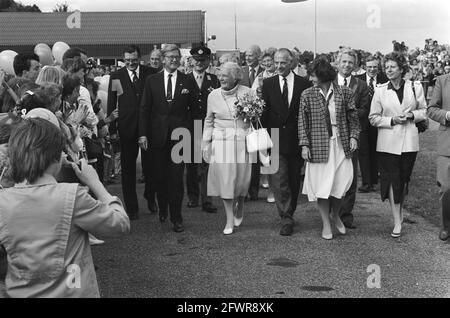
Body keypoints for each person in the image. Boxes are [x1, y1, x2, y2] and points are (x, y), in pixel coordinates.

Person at [0, 118, 129, 297]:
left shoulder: (3, 201)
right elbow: (119, 224)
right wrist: (95, 183)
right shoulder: (72, 197)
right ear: (55, 158)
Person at [299, 58, 360, 240]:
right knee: (322, 185)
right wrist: (304, 145)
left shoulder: (344, 93)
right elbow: (302, 122)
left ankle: (336, 214)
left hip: (341, 144)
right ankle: (326, 222)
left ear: (323, 75)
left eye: (314, 75)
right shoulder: (307, 94)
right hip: (318, 144)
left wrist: (353, 136)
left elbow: (353, 119)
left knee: (340, 183)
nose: (311, 79)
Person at [369, 52, 427, 238]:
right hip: (387, 143)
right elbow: (373, 118)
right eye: (387, 68)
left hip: (409, 142)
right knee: (393, 180)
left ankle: (399, 214)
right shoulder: (380, 90)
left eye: (393, 67)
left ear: (402, 69)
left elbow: (424, 111)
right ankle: (396, 221)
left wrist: (412, 116)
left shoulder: (415, 86)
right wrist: (392, 120)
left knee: (403, 179)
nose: (389, 70)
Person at [139, 44, 195, 233]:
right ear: (163, 59)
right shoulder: (151, 80)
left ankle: (176, 217)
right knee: (159, 177)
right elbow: (145, 109)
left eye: (176, 57)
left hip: (181, 137)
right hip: (157, 136)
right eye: (170, 57)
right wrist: (143, 133)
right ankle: (162, 208)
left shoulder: (187, 80)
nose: (174, 60)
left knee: (177, 179)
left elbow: (194, 110)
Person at [261, 48, 311, 236]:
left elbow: (307, 114)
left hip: (296, 139)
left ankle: (290, 211)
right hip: (274, 138)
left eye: (283, 62)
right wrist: (262, 141)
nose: (279, 66)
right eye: (276, 62)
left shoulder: (303, 84)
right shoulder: (268, 83)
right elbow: (264, 113)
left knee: (292, 179)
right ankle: (286, 217)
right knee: (279, 180)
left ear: (291, 63)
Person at [107, 45, 158, 220]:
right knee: (128, 171)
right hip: (126, 127)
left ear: (139, 58)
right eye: (127, 60)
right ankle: (132, 207)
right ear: (123, 59)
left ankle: (151, 197)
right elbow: (112, 104)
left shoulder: (150, 73)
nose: (130, 63)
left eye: (134, 60)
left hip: (148, 127)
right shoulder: (116, 76)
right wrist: (113, 130)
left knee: (151, 168)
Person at [202, 62, 253, 235]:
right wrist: (205, 144)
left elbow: (255, 119)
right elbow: (208, 120)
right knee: (226, 180)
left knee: (241, 180)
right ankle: (229, 218)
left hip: (241, 141)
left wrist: (251, 112)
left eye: (225, 75)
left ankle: (241, 204)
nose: (221, 78)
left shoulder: (247, 92)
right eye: (220, 75)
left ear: (235, 76)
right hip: (221, 141)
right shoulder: (213, 95)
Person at [335, 49, 370, 229]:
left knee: (350, 175)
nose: (347, 65)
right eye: (344, 62)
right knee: (332, 174)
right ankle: (332, 212)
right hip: (332, 136)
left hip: (353, 135)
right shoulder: (328, 82)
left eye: (350, 62)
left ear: (354, 64)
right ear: (337, 63)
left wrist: (349, 115)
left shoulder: (361, 85)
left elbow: (365, 109)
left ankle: (346, 215)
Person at [185, 45, 220, 213]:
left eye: (203, 60)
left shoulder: (214, 80)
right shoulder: (183, 80)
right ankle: (193, 197)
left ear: (208, 61)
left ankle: (207, 199)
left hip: (208, 128)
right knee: (190, 164)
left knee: (207, 164)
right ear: (191, 60)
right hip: (188, 128)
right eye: (196, 60)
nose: (199, 63)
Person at [356, 55, 388, 193]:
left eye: (375, 66)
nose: (372, 69)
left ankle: (375, 179)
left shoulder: (384, 80)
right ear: (365, 66)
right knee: (363, 151)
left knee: (376, 151)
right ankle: (366, 182)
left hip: (379, 121)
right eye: (369, 67)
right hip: (362, 121)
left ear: (378, 67)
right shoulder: (358, 80)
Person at [427, 72, 450, 241]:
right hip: (447, 144)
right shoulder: (442, 80)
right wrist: (447, 115)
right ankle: (446, 227)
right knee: (446, 188)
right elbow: (431, 109)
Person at [240, 45, 264, 201]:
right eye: (246, 55)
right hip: (242, 118)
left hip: (259, 119)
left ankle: (254, 189)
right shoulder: (240, 71)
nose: (248, 58)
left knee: (255, 155)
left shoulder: (265, 71)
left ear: (258, 56)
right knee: (243, 155)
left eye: (251, 55)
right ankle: (242, 188)